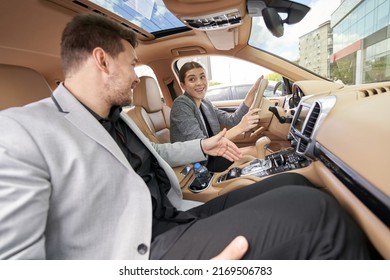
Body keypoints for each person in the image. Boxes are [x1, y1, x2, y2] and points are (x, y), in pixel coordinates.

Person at [0, 13, 372, 260]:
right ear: (102, 60)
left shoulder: (116, 117)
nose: (135, 76)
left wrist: (203, 144)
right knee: (318, 215)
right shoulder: (20, 133)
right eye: (132, 64)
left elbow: (155, 151)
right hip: (143, 251)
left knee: (297, 185)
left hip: (175, 213)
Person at [170, 61, 262, 172]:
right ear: (183, 85)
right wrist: (241, 127)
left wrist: (252, 92)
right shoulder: (181, 105)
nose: (199, 83)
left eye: (202, 77)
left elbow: (232, 120)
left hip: (215, 154)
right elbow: (201, 144)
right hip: (200, 165)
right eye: (192, 79)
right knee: (255, 151)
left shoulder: (205, 103)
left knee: (258, 150)